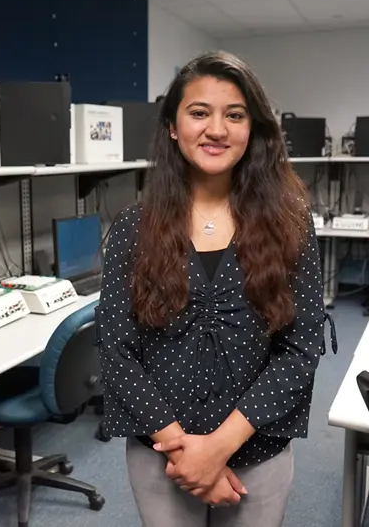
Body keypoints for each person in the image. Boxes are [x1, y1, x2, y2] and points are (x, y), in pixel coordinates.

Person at [97, 50, 334, 527]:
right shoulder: (132, 227)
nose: (217, 129)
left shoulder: (290, 224)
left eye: (235, 115)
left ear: (254, 129)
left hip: (257, 454)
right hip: (162, 453)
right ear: (172, 125)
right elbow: (115, 349)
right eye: (199, 112)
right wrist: (185, 451)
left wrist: (218, 447)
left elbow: (301, 348)